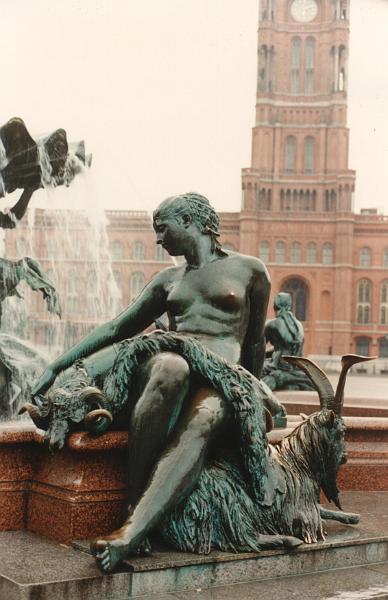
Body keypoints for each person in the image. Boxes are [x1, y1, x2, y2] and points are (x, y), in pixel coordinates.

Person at [32, 192, 285, 572]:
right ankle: (135, 504)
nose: (157, 239)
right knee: (171, 367)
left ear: (191, 223)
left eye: (162, 228)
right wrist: (56, 366)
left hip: (220, 381)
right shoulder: (168, 279)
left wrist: (254, 395)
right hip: (172, 369)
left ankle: (131, 532)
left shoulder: (250, 270)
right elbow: (118, 327)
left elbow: (252, 345)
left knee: (203, 419)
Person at [263, 292, 315, 391]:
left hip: (279, 368)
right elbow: (285, 348)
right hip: (297, 369)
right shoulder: (299, 325)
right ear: (289, 305)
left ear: (276, 305)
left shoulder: (272, 324)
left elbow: (257, 350)